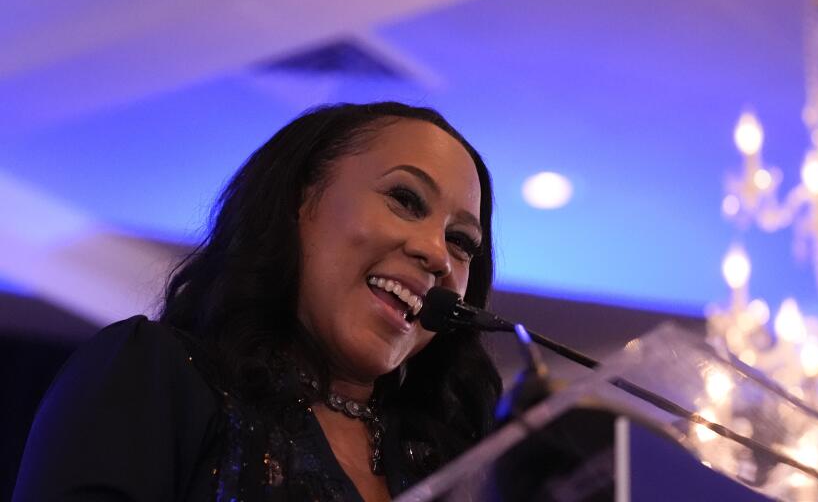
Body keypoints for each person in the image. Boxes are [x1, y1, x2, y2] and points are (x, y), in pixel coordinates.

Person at [13, 102, 502, 501]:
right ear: (298, 201)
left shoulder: (455, 462)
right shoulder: (155, 371)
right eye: (405, 199)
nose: (437, 254)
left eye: (461, 241)